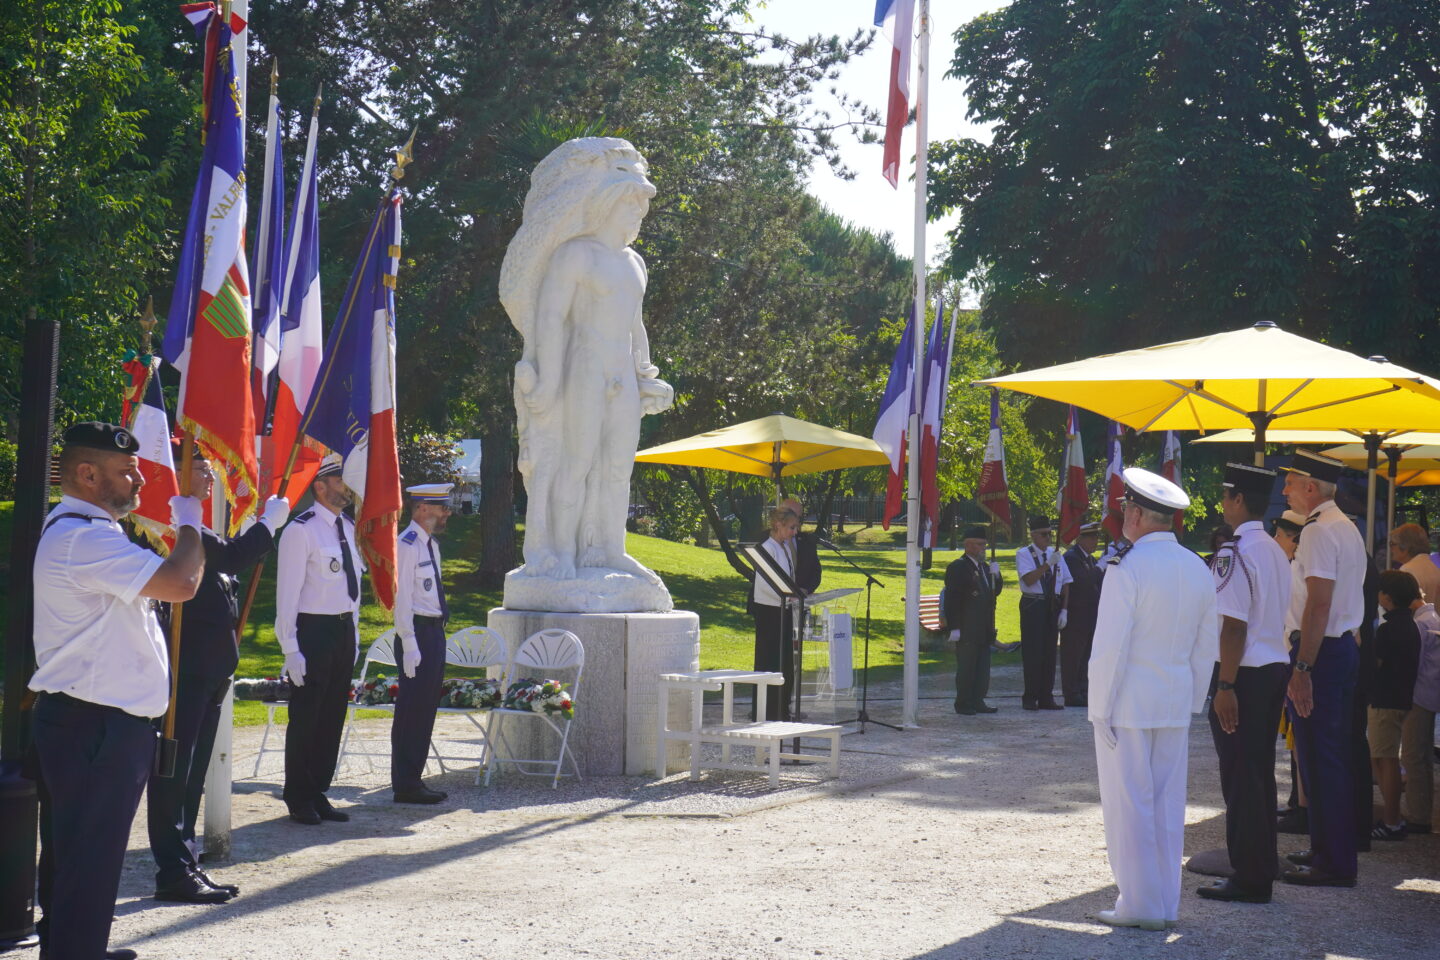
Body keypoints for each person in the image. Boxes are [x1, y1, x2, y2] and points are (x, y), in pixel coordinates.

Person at [29, 422, 205, 960]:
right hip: (96, 725)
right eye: (126, 471)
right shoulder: (83, 537)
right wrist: (192, 516)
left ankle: (69, 948)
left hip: (88, 720)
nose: (138, 481)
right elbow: (182, 583)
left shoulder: (83, 531)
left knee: (76, 854)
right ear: (86, 474)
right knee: (91, 857)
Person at [146, 443, 289, 904]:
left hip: (208, 674)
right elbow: (228, 558)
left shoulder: (200, 529)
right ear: (178, 476)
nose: (211, 479)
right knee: (175, 770)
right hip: (184, 673)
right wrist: (268, 523)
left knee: (193, 772)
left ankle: (185, 860)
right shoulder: (179, 530)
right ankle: (172, 866)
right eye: (202, 471)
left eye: (210, 470)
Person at [1088, 467, 1217, 931]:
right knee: (1166, 805)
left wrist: (1098, 707)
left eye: (1126, 507)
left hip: (1127, 701)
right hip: (1173, 701)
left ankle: (1140, 904)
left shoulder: (1129, 567)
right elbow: (1207, 644)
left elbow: (1110, 647)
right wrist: (1192, 699)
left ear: (1138, 514)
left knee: (1129, 805)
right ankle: (1163, 903)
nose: (1123, 514)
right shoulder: (1198, 567)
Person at [1196, 463, 1292, 904]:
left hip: (1244, 673)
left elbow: (1232, 627)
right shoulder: (1273, 547)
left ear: (1238, 501)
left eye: (1226, 495)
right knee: (1257, 774)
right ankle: (1260, 866)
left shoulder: (1236, 552)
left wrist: (1226, 687)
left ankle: (1249, 876)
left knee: (1241, 775)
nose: (1222, 503)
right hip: (1271, 667)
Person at [1279, 449, 1367, 888]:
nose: (1284, 490)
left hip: (1321, 652)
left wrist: (1302, 667)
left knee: (1320, 757)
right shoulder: (1345, 526)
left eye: (1291, 483)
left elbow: (1318, 604)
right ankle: (1325, 849)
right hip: (1336, 649)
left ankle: (1333, 862)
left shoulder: (1317, 531)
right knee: (1323, 755)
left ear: (1311, 487)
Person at [276, 457, 366, 825]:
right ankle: (298, 796)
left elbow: (353, 587)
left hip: (342, 630)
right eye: (340, 480)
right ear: (320, 486)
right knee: (307, 717)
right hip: (313, 631)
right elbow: (287, 595)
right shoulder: (302, 530)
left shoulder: (346, 527)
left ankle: (319, 791)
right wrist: (290, 648)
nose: (347, 487)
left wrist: (355, 634)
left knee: (332, 716)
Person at [391, 483, 454, 804]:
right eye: (441, 507)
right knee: (412, 709)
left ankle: (412, 778)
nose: (446, 513)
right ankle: (405, 782)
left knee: (425, 708)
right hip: (416, 632)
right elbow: (401, 599)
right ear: (421, 508)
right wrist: (408, 640)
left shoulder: (430, 545)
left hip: (433, 632)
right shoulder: (407, 544)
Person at [1367, 570, 1423, 840]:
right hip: (1401, 698)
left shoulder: (1389, 629)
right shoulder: (1410, 624)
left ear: (1386, 597)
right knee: (1382, 757)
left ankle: (1391, 820)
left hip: (1385, 700)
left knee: (1385, 760)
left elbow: (1377, 664)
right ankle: (1392, 817)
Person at [750, 506, 803, 721]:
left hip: (784, 610)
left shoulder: (782, 548)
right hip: (769, 612)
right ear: (778, 525)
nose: (794, 532)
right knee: (769, 661)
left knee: (785, 664)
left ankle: (781, 709)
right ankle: (766, 711)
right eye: (791, 527)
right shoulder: (767, 548)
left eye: (796, 528)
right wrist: (787, 597)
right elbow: (764, 585)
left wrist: (794, 596)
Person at [945, 526, 1003, 714]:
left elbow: (995, 592)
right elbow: (952, 598)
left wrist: (997, 575)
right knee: (967, 668)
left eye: (984, 545)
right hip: (967, 624)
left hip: (984, 625)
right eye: (979, 544)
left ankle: (978, 700)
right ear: (968, 545)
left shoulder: (984, 567)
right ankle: (963, 702)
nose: (983, 548)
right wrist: (954, 627)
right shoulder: (959, 567)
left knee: (982, 668)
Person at [1015, 516, 1070, 710]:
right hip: (1034, 604)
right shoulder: (1024, 554)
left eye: (1050, 533)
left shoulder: (1055, 554)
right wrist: (1047, 565)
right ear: (1033, 535)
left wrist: (1064, 609)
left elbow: (1065, 583)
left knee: (1049, 653)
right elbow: (1029, 579)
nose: (1048, 538)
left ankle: (1046, 696)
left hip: (1052, 605)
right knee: (1033, 652)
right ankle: (1030, 696)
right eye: (1044, 534)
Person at [1060, 521, 1103, 708]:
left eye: (1097, 537)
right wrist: (1100, 568)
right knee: (1073, 657)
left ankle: (1083, 690)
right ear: (1080, 538)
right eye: (1092, 537)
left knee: (1086, 656)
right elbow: (1082, 581)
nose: (1096, 541)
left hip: (1090, 616)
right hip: (1076, 616)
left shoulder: (1090, 559)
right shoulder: (1071, 558)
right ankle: (1071, 693)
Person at [1407, 594, 1440, 835]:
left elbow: (1414, 664)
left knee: (1413, 756)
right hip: (1430, 694)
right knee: (1423, 755)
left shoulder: (1420, 624)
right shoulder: (1433, 618)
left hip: (1419, 695)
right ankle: (1423, 811)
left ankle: (1419, 816)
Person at [1389, 523, 1440, 603]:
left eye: (1392, 544)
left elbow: (1404, 606)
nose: (1390, 549)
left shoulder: (1407, 571)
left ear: (1405, 547)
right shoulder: (1436, 566)